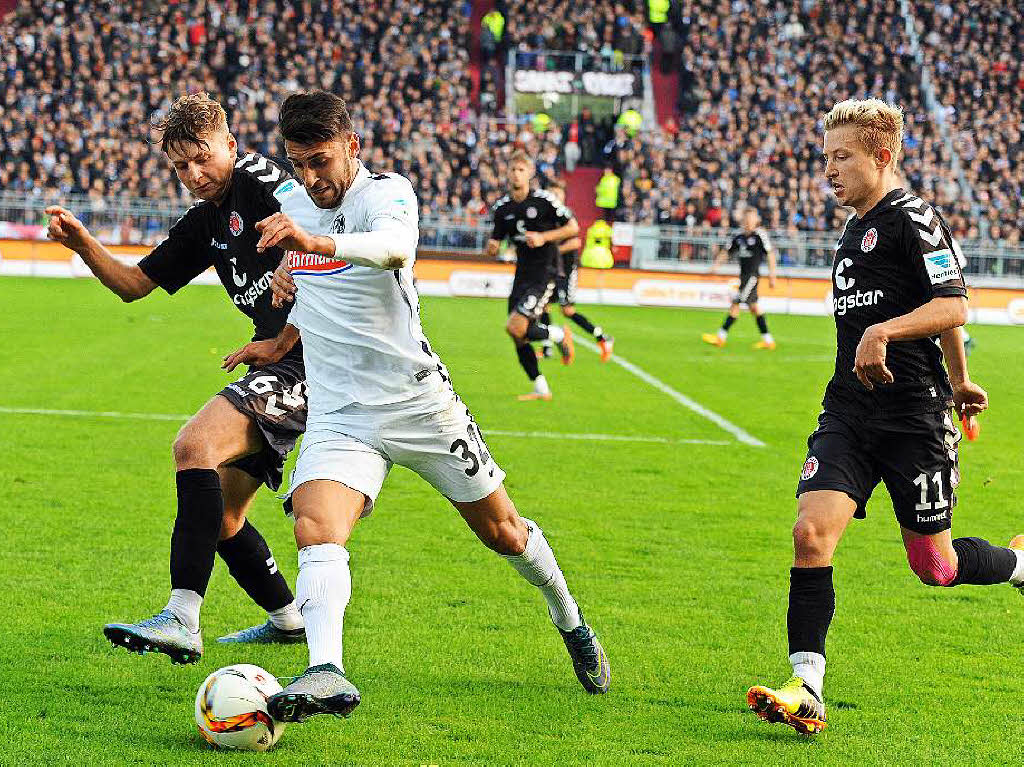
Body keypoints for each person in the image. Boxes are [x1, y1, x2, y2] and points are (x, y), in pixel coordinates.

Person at [248, 91, 610, 723]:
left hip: (418, 402)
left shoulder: (389, 194)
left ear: (352, 148)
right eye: (298, 162)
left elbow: (391, 251)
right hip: (340, 414)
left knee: (505, 533)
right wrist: (283, 286)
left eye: (322, 161)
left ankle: (570, 620)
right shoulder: (290, 203)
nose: (311, 177)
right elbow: (302, 283)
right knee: (314, 523)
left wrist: (308, 244)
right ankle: (325, 670)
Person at [746, 98, 1021, 735]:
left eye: (842, 156)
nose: (829, 170)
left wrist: (895, 344)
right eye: (825, 158)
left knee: (937, 567)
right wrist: (957, 375)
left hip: (913, 418)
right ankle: (807, 686)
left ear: (883, 155)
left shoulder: (915, 219)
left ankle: (1020, 565)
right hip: (849, 410)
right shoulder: (853, 229)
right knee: (810, 533)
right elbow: (936, 308)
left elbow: (952, 305)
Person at [45, 93, 307, 664]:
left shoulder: (264, 179)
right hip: (279, 360)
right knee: (224, 516)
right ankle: (288, 620)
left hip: (315, 359)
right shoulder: (205, 221)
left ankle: (183, 616)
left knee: (195, 445)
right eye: (180, 166)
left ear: (231, 146)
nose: (194, 174)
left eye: (202, 157)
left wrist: (283, 336)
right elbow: (134, 284)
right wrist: (84, 243)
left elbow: (325, 237)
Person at [487, 151, 581, 401]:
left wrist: (544, 237)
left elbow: (573, 227)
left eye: (521, 169)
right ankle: (540, 387)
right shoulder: (502, 208)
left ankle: (560, 334)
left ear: (530, 173)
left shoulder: (544, 201)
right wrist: (492, 247)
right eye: (513, 169)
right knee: (517, 335)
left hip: (545, 272)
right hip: (522, 275)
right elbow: (495, 241)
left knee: (515, 325)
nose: (517, 174)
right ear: (507, 173)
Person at [538, 180, 615, 363]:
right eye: (551, 195)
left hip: (566, 271)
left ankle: (602, 337)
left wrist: (553, 250)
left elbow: (575, 243)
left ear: (563, 197)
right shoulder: (547, 217)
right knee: (544, 306)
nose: (554, 198)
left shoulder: (567, 216)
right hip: (552, 270)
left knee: (568, 310)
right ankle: (547, 349)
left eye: (558, 195)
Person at [702, 208, 777, 350]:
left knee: (736, 303)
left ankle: (720, 337)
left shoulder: (760, 235)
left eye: (751, 220)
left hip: (752, 277)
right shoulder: (739, 237)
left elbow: (770, 254)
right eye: (746, 220)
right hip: (743, 277)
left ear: (756, 221)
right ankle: (768, 340)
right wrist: (715, 266)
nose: (748, 223)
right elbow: (726, 252)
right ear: (743, 221)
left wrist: (773, 275)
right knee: (754, 308)